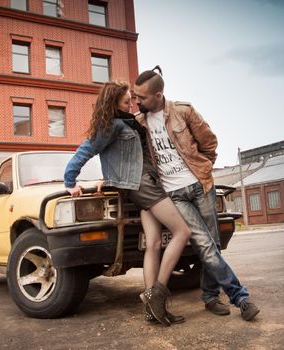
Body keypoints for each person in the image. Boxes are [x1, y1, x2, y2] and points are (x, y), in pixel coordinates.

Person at [133, 67, 260, 321]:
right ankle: (241, 298)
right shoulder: (140, 122)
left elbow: (209, 142)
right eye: (135, 97)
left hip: (201, 185)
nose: (137, 102)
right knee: (204, 244)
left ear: (158, 95)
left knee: (211, 245)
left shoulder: (183, 111)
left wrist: (203, 168)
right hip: (174, 194)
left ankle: (210, 296)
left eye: (142, 98)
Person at [63, 80, 191, 326]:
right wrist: (70, 181)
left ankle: (154, 311)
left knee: (152, 243)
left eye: (132, 99)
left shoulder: (128, 121)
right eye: (126, 100)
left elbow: (123, 158)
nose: (131, 103)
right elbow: (85, 151)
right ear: (113, 101)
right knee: (182, 231)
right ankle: (157, 294)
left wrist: (109, 177)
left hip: (145, 182)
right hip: (142, 185)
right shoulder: (110, 125)